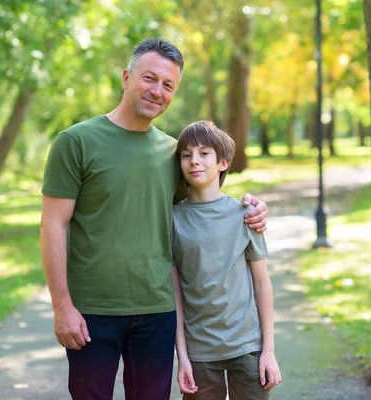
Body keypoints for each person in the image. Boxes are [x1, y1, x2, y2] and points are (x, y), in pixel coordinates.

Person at [39, 38, 268, 400]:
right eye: (149, 78)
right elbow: (54, 224)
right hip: (92, 312)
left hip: (158, 313)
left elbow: (204, 201)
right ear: (127, 77)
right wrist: (61, 306)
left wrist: (252, 207)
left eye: (168, 86)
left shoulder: (172, 153)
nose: (157, 91)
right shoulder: (76, 142)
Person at [171, 120, 282, 400]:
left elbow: (262, 283)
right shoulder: (172, 219)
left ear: (222, 163)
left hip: (247, 347)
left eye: (203, 153)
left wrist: (268, 350)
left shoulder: (245, 214)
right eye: (186, 155)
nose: (194, 161)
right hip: (200, 352)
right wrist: (182, 357)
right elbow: (175, 296)